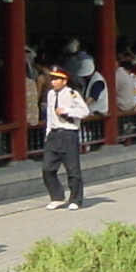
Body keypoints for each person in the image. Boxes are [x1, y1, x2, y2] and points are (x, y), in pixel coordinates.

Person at [40, 66, 89, 209]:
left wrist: (67, 111)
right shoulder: (50, 94)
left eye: (57, 79)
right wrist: (48, 132)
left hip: (68, 134)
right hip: (54, 134)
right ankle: (57, 197)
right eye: (52, 79)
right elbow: (50, 115)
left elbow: (85, 111)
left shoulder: (72, 94)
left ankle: (75, 199)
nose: (53, 82)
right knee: (47, 168)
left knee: (72, 170)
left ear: (64, 81)